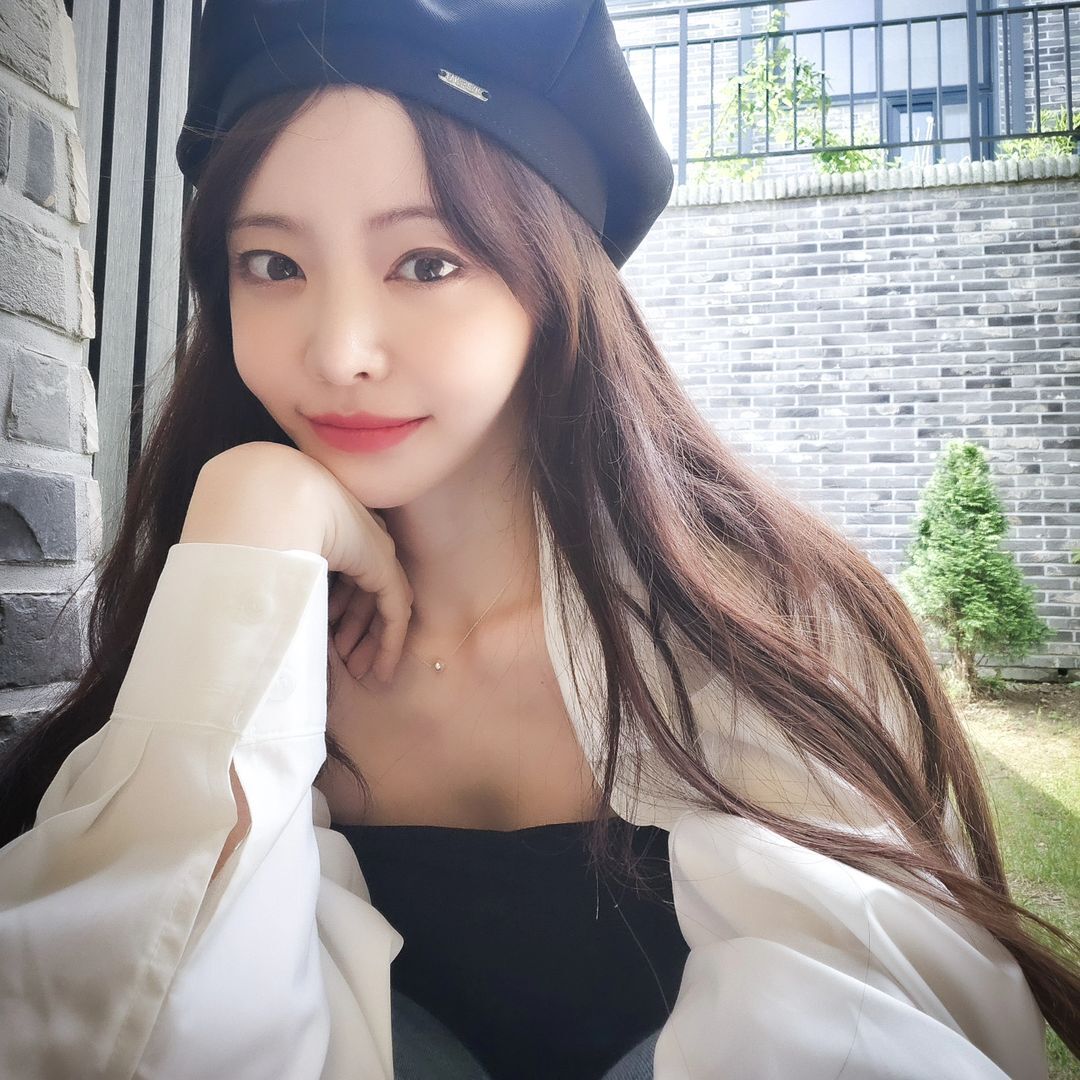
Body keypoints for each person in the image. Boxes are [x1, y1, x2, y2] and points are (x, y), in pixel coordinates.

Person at [0, 1, 1076, 1077]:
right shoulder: (236, 594)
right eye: (273, 264)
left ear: (553, 283)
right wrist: (252, 522)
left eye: (426, 263)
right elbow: (107, 1018)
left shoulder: (761, 629)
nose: (339, 352)